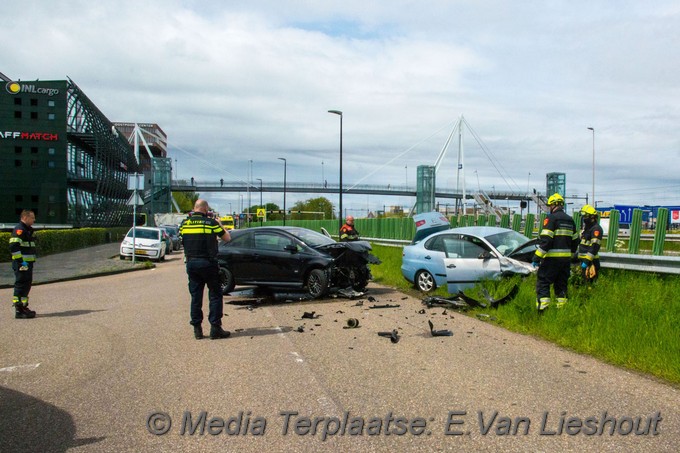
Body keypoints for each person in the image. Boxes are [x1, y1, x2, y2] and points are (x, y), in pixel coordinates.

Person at [180, 199, 232, 339]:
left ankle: (197, 330)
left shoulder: (184, 224)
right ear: (206, 209)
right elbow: (227, 238)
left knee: (195, 296)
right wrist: (220, 224)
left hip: (192, 263)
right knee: (215, 295)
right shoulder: (211, 223)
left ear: (194, 208)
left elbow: (182, 240)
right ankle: (215, 328)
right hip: (208, 264)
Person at [532, 193, 579, 312]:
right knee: (561, 285)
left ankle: (543, 310)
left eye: (550, 205)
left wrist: (537, 257)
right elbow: (575, 240)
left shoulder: (551, 218)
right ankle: (561, 310)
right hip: (565, 261)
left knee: (543, 281)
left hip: (551, 260)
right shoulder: (570, 220)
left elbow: (546, 241)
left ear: (554, 205)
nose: (549, 208)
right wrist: (570, 255)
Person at [9, 210, 37, 319]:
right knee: (21, 284)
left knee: (26, 284)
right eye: (32, 218)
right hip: (22, 263)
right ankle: (19, 309)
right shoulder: (19, 229)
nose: (34, 220)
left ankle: (23, 307)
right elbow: (13, 246)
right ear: (25, 218)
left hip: (26, 263)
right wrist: (21, 261)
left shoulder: (27, 230)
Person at [578, 204, 603, 284]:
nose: (584, 219)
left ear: (591, 217)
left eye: (585, 217)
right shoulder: (587, 229)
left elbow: (594, 247)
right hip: (584, 261)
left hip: (591, 262)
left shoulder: (596, 229)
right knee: (582, 284)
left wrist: (586, 261)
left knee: (590, 284)